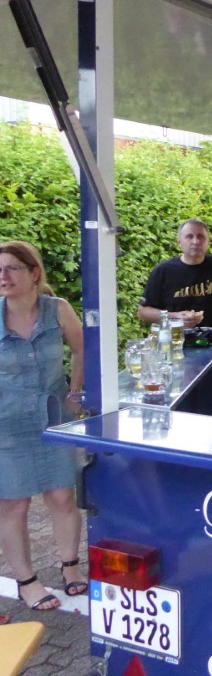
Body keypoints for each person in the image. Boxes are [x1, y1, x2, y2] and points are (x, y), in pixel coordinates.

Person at [0, 241, 88, 613]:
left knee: (62, 496)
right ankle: (27, 582)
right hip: (7, 423)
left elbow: (82, 348)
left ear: (34, 272)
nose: (3, 276)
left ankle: (70, 565)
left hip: (54, 417)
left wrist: (75, 392)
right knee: (13, 504)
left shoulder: (58, 309)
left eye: (12, 268)